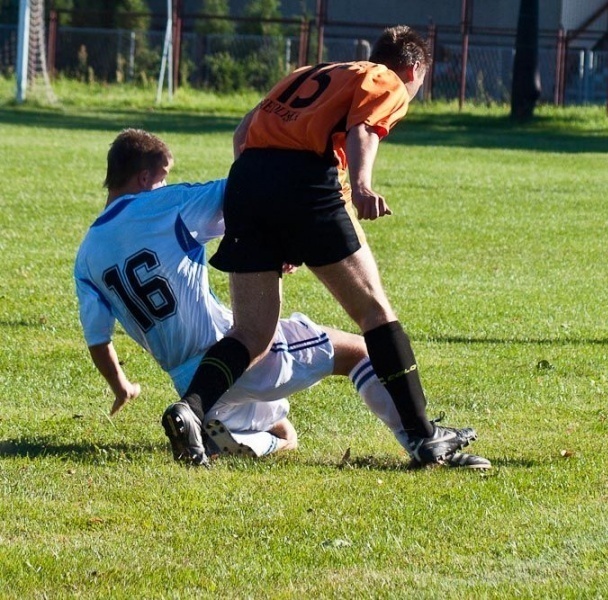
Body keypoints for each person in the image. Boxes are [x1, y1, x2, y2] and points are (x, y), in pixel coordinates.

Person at [164, 25, 484, 468]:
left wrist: (270, 215)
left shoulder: (307, 72)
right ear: (412, 69)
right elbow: (365, 129)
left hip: (247, 183)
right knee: (374, 312)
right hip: (305, 184)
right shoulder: (385, 77)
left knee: (251, 332)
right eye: (418, 85)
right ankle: (425, 437)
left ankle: (192, 409)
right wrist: (362, 185)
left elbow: (242, 135)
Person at [74, 129, 491, 469]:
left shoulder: (87, 256)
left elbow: (97, 338)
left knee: (286, 434)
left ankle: (220, 437)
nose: (164, 184)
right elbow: (244, 192)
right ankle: (421, 444)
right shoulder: (166, 203)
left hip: (187, 379)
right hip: (233, 356)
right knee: (362, 352)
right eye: (162, 176)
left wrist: (121, 385)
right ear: (146, 178)